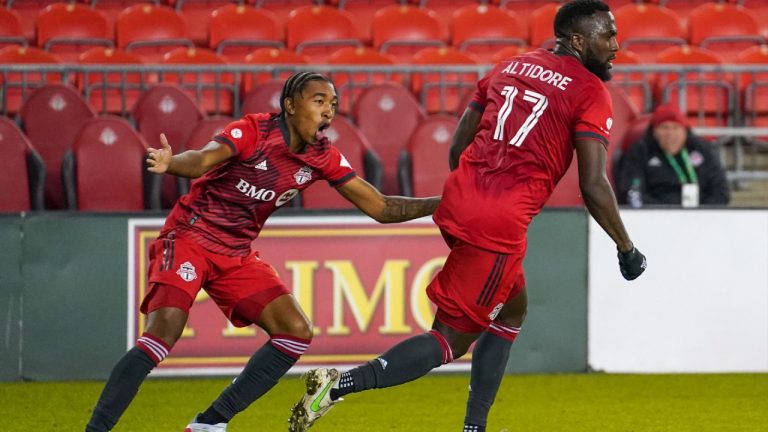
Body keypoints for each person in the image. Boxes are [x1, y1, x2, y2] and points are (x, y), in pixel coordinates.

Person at [288, 1, 647, 431]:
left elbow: (459, 145)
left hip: (460, 200)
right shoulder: (590, 91)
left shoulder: (509, 67)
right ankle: (339, 384)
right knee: (448, 341)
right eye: (607, 35)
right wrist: (626, 248)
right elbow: (593, 184)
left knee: (512, 312)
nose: (616, 45)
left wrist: (473, 194)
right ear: (576, 40)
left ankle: (474, 427)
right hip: (498, 223)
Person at [84, 72, 440, 432]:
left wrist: (445, 203)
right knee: (163, 332)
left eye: (332, 104)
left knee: (295, 330)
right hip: (191, 236)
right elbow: (204, 159)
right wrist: (172, 163)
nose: (328, 112)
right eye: (318, 101)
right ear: (290, 105)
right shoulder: (254, 131)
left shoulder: (322, 157)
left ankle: (210, 423)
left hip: (236, 253)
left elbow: (381, 207)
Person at [619, 103, 730, 207]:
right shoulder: (640, 151)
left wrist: (702, 212)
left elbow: (720, 190)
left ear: (685, 130)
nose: (670, 134)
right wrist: (662, 213)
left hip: (699, 217)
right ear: (654, 131)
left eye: (675, 127)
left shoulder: (702, 149)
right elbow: (633, 193)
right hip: (655, 217)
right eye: (664, 127)